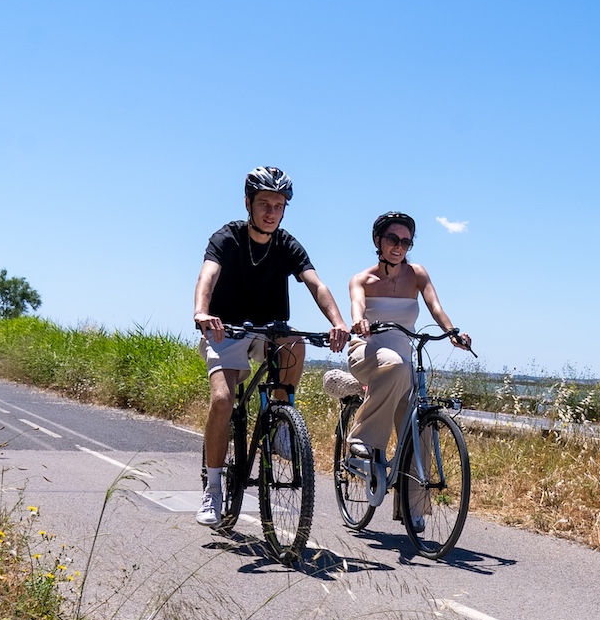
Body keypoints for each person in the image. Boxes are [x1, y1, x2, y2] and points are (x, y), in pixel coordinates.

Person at [193, 166, 349, 528]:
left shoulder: (287, 244)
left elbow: (316, 284)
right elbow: (207, 275)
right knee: (222, 401)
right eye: (264, 203)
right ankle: (213, 489)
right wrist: (202, 312)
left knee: (294, 341)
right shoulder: (227, 237)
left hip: (270, 331)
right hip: (224, 329)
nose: (271, 212)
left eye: (279, 205)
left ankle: (280, 418)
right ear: (248, 203)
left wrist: (337, 321)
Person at [346, 211, 472, 531]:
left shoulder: (417, 274)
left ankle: (413, 505)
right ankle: (361, 441)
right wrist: (360, 321)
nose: (399, 247)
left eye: (406, 241)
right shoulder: (362, 279)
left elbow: (436, 307)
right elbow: (357, 305)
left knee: (422, 425)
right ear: (378, 241)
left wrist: (452, 331)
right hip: (368, 351)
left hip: (403, 356)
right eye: (392, 239)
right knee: (399, 367)